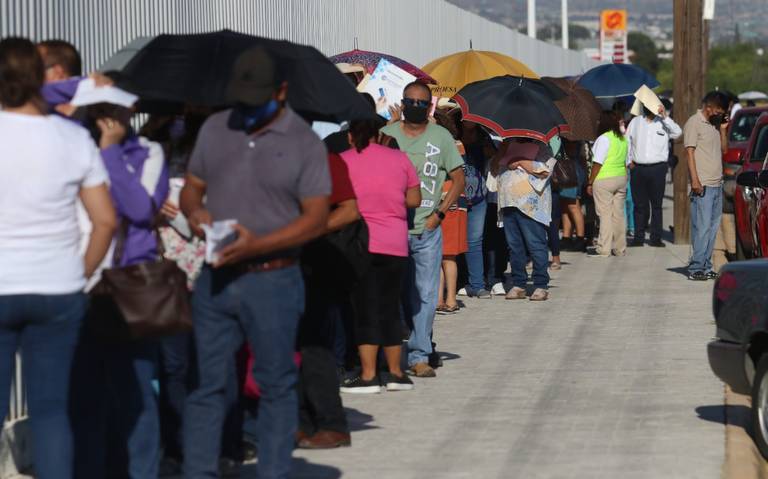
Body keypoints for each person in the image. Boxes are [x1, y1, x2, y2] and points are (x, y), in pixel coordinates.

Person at [180, 47, 331, 479]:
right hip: (216, 279)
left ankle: (274, 471)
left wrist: (257, 245)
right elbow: (193, 187)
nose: (244, 109)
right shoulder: (215, 127)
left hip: (275, 281)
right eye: (240, 99)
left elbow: (316, 220)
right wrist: (195, 212)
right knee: (206, 385)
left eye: (255, 100)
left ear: (280, 92)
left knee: (276, 383)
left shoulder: (303, 142)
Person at [0, 37, 116, 479]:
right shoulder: (71, 138)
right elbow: (105, 221)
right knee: (52, 411)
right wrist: (78, 271)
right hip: (58, 287)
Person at [70, 100, 170, 478]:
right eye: (102, 108)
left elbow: (141, 209)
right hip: (78, 283)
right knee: (85, 393)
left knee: (137, 390)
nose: (113, 116)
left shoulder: (149, 151)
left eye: (121, 108)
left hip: (130, 284)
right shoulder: (72, 146)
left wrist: (110, 152)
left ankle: (140, 471)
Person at [380, 81, 465, 378]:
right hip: (392, 229)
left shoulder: (441, 137)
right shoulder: (387, 136)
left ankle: (419, 355)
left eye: (421, 102)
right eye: (410, 101)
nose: (415, 106)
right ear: (403, 103)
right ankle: (395, 350)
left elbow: (458, 179)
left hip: (427, 229)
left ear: (429, 106)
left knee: (427, 295)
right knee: (396, 294)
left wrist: (439, 214)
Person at [340, 116, 421, 392]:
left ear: (351, 135)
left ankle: (368, 375)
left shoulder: (344, 160)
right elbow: (414, 200)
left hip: (360, 244)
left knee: (364, 309)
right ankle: (397, 373)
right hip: (395, 243)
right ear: (379, 134)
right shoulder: (399, 159)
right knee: (389, 307)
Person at [296, 151, 359, 448]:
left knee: (311, 344)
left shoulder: (318, 155)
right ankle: (296, 420)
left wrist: (307, 231)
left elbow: (349, 210)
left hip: (311, 260)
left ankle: (327, 421)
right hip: (258, 262)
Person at [490, 138, 557, 301]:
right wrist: (502, 152)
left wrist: (519, 161)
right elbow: (494, 168)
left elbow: (546, 170)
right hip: (508, 201)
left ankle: (540, 284)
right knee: (514, 246)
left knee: (535, 244)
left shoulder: (542, 146)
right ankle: (518, 282)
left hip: (530, 204)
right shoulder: (506, 144)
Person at [684, 91, 729, 281]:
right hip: (702, 185)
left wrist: (724, 128)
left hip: (717, 183)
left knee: (712, 228)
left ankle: (706, 264)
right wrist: (695, 180)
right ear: (709, 107)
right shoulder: (694, 123)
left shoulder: (714, 125)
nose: (721, 113)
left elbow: (724, 150)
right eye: (719, 110)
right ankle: (695, 268)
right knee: (701, 228)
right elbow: (689, 153)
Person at [626, 104, 682, 248]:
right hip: (638, 168)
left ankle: (655, 238)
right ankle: (638, 237)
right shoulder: (636, 122)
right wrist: (628, 161)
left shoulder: (664, 122)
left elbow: (678, 133)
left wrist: (665, 117)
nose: (648, 108)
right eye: (646, 105)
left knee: (656, 205)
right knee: (639, 205)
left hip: (658, 168)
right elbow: (627, 142)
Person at [457, 118, 493, 298]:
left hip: (478, 196)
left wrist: (489, 149)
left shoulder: (484, 137)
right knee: (454, 241)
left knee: (474, 241)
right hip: (456, 196)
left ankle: (477, 284)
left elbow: (493, 157)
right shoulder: (452, 137)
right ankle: (457, 282)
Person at [586, 111, 629, 258]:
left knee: (604, 215)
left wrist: (590, 182)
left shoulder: (603, 139)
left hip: (604, 179)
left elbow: (597, 163)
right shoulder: (622, 138)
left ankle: (604, 248)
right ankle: (620, 248)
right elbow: (626, 161)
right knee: (618, 214)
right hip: (621, 177)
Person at [559, 140, 587, 252]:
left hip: (570, 171)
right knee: (565, 206)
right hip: (567, 170)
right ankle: (566, 237)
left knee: (573, 205)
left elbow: (571, 151)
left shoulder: (573, 137)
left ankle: (580, 238)